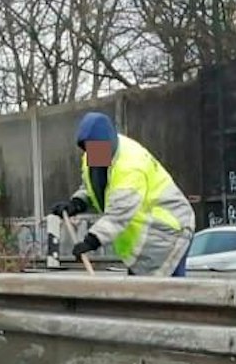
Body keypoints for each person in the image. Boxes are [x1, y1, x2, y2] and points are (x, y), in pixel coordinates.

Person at [50, 112, 196, 277]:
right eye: (87, 148)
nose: (91, 154)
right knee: (142, 296)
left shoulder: (129, 167)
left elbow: (118, 215)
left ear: (107, 143)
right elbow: (94, 187)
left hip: (168, 233)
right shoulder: (96, 153)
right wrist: (76, 203)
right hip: (146, 241)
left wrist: (91, 241)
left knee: (168, 296)